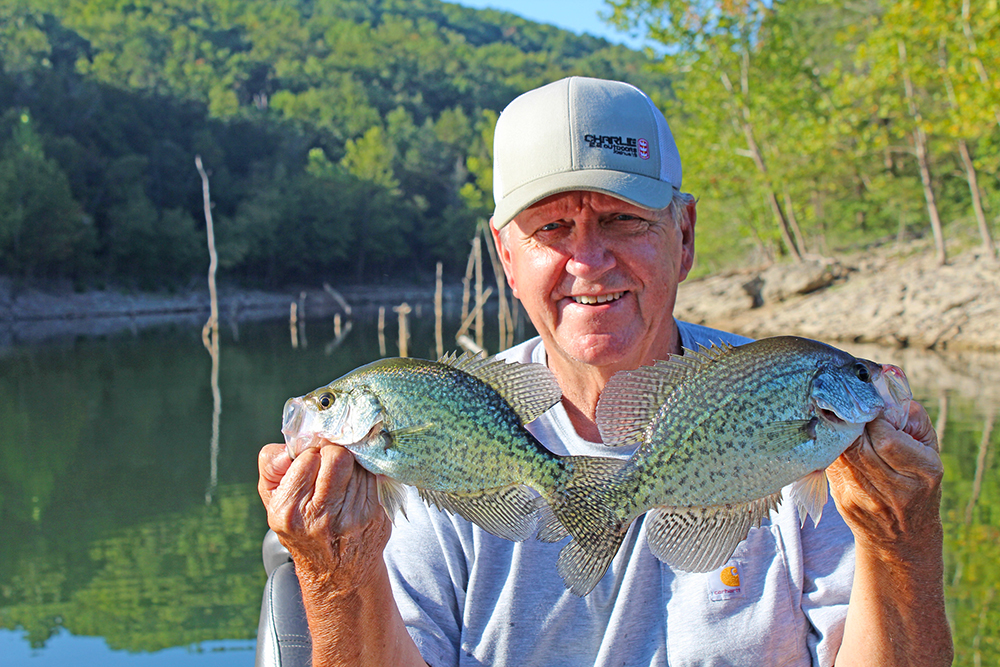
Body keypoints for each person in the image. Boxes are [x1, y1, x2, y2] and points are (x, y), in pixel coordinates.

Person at [257, 76, 952, 667]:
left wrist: (902, 540)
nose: (588, 262)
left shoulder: (807, 411)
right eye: (552, 230)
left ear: (684, 234)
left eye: (622, 219)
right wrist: (335, 570)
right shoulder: (447, 426)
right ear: (506, 255)